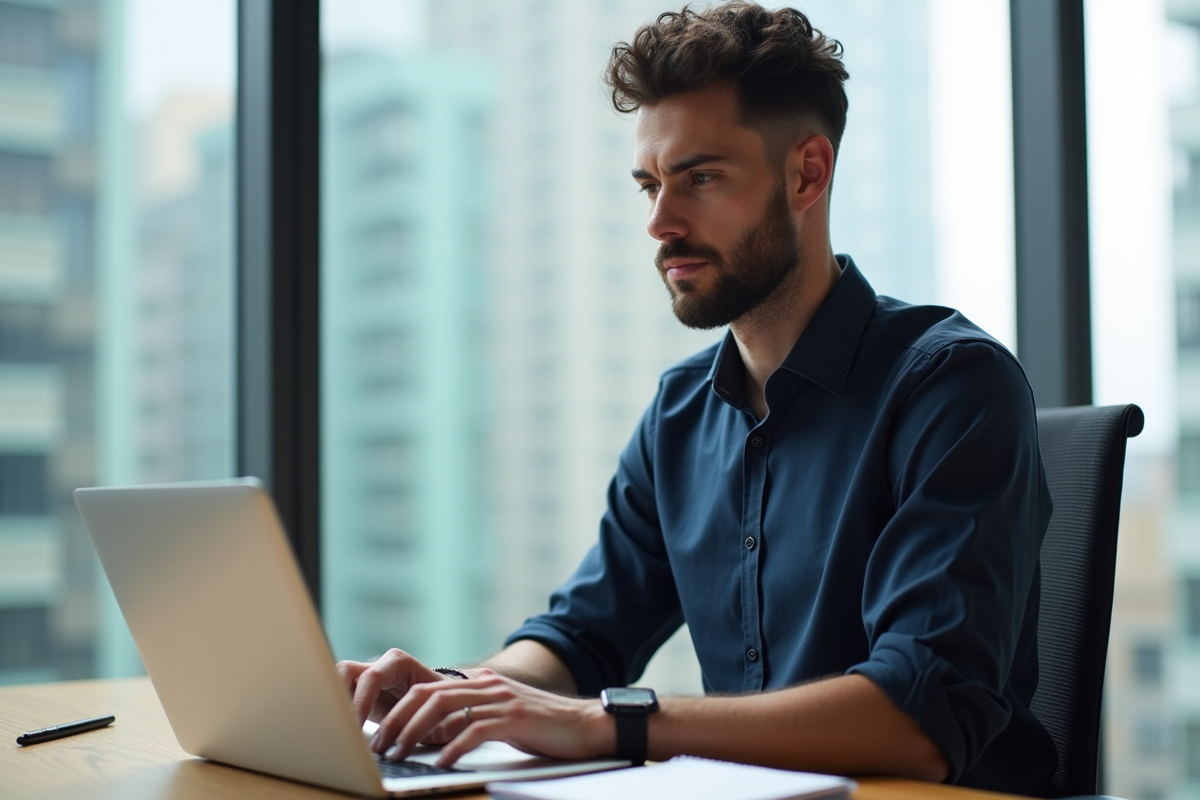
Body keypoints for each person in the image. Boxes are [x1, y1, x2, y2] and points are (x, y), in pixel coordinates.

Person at [337, 3, 1058, 794]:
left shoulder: (951, 386)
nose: (659, 221)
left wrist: (609, 723)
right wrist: (460, 696)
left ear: (807, 173)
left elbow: (921, 717)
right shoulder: (681, 411)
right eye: (649, 184)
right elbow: (581, 637)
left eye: (700, 178)